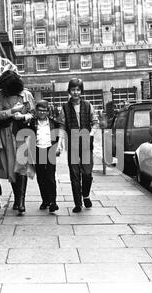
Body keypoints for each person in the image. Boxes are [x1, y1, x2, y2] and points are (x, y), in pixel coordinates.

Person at [0, 70, 35, 216]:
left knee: (22, 165)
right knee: (12, 167)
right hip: (6, 134)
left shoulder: (26, 94)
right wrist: (11, 111)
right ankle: (17, 198)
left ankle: (21, 202)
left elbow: (34, 114)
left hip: (22, 132)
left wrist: (23, 116)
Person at [59, 78, 98, 213]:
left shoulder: (88, 105)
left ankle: (86, 195)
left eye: (78, 90)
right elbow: (62, 126)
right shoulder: (64, 107)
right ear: (69, 91)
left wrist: (91, 134)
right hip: (73, 144)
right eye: (73, 90)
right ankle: (78, 203)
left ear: (81, 91)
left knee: (87, 173)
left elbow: (95, 122)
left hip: (86, 143)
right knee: (75, 174)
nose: (75, 92)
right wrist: (60, 143)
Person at [31, 100, 63, 214]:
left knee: (50, 176)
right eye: (40, 110)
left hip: (50, 149)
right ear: (36, 111)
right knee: (41, 177)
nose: (42, 113)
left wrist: (59, 147)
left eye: (45, 110)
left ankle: (53, 202)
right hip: (37, 150)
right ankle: (45, 200)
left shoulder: (54, 123)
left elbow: (60, 135)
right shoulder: (32, 123)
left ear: (48, 112)